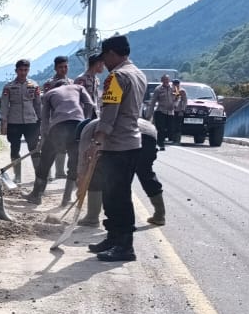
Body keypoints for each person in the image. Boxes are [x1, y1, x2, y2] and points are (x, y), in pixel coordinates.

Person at [87, 35, 146, 262]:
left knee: (117, 196)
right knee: (114, 195)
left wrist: (97, 142)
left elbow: (109, 113)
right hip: (131, 143)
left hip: (117, 145)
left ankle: (124, 246)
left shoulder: (117, 76)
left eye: (105, 57)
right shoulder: (138, 73)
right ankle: (113, 237)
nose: (104, 64)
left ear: (112, 53)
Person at [77, 116, 165, 226]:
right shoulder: (106, 122)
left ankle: (92, 217)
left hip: (129, 137)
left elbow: (83, 159)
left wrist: (81, 179)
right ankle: (160, 215)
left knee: (98, 176)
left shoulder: (88, 129)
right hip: (150, 134)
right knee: (146, 173)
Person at [27, 79, 94, 207]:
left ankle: (36, 195)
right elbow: (90, 104)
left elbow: (44, 118)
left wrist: (44, 138)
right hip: (78, 125)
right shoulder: (78, 88)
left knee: (45, 161)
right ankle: (66, 199)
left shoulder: (49, 93)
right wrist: (86, 122)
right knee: (73, 162)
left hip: (58, 126)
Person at [0, 59, 42, 185]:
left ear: (28, 70)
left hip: (31, 121)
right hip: (14, 122)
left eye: (26, 70)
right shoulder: (9, 87)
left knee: (34, 148)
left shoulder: (34, 85)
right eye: (21, 70)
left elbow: (38, 104)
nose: (23, 73)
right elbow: (5, 105)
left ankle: (39, 176)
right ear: (16, 71)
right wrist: (4, 122)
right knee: (14, 148)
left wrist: (41, 120)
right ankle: (17, 176)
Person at [44, 56, 75, 179]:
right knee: (50, 147)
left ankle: (60, 172)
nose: (63, 69)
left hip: (69, 119)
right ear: (55, 68)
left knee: (64, 146)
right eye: (60, 67)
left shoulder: (72, 83)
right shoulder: (49, 83)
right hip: (54, 118)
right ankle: (47, 173)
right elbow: (46, 102)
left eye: (65, 66)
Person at [73, 54, 103, 119]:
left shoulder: (96, 79)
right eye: (102, 64)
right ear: (98, 64)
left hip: (95, 113)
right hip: (84, 115)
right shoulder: (81, 79)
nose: (104, 67)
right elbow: (76, 98)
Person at [148, 74, 172, 149]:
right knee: (161, 128)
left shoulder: (173, 89)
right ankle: (161, 144)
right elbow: (153, 101)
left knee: (169, 128)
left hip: (170, 112)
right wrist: (150, 113)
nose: (166, 81)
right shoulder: (158, 89)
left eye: (167, 79)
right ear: (162, 80)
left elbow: (177, 98)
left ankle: (162, 141)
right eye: (164, 79)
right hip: (161, 111)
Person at [168, 78, 188, 145]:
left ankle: (177, 140)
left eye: (177, 84)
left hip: (179, 110)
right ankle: (172, 139)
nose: (175, 85)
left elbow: (184, 101)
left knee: (178, 126)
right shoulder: (170, 90)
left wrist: (182, 110)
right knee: (172, 125)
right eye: (174, 84)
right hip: (171, 110)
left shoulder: (182, 91)